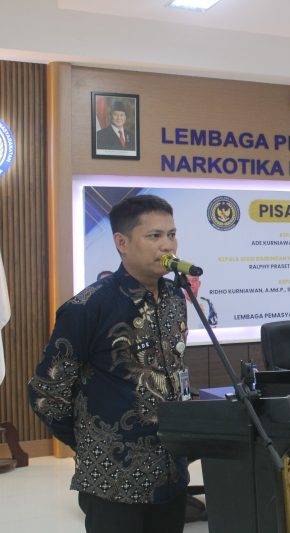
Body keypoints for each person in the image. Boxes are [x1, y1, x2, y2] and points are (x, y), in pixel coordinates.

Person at [28, 195, 189, 533]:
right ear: (121, 243)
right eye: (154, 236)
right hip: (114, 479)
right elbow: (47, 393)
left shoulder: (175, 297)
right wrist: (92, 442)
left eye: (172, 234)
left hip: (171, 471)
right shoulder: (88, 307)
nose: (168, 245)